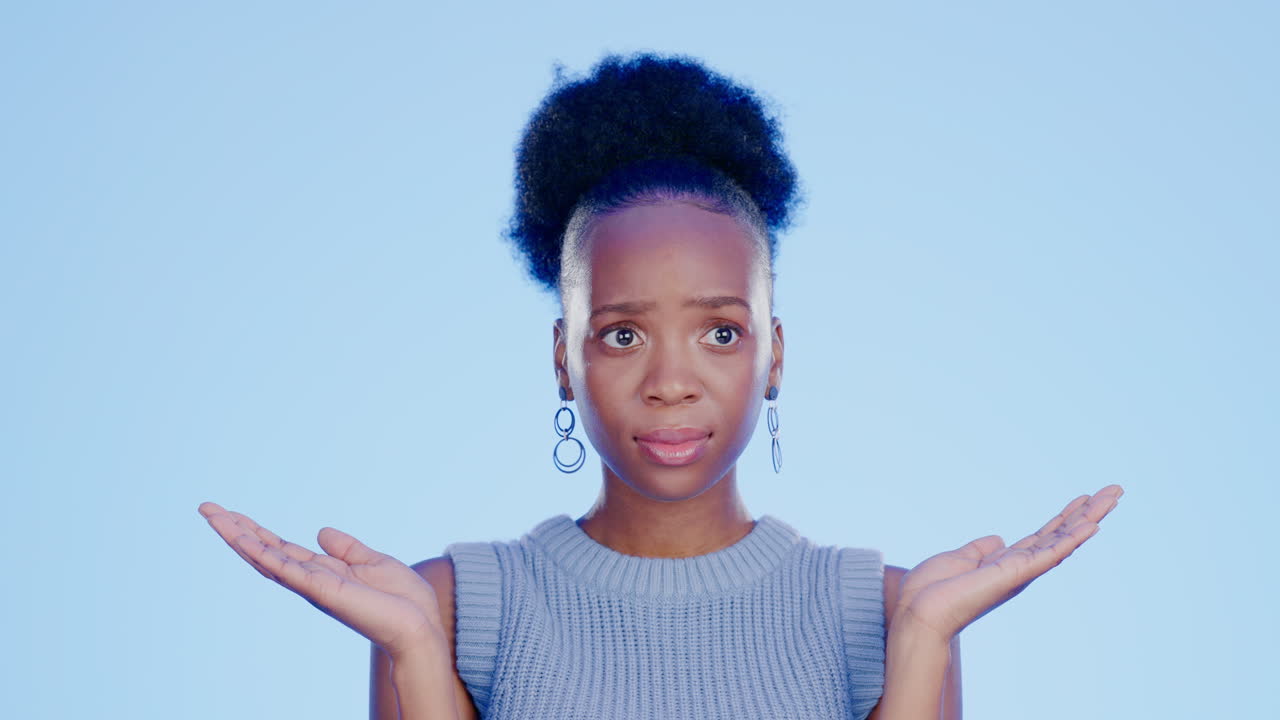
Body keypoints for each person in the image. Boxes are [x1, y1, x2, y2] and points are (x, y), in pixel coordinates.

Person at [197, 52, 1123, 720]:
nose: (672, 382)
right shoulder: (445, 608)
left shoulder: (883, 613)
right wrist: (417, 667)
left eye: (721, 332)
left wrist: (924, 643)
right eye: (623, 333)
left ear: (774, 356)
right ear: (564, 357)